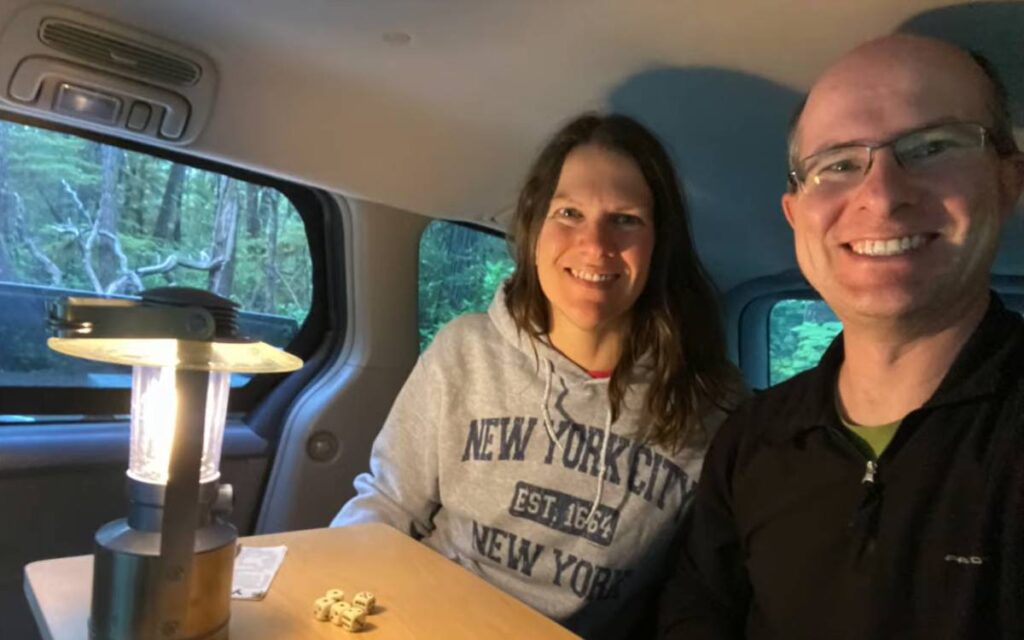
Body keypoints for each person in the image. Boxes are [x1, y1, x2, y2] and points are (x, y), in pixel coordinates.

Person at [658, 34, 1024, 640]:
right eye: (838, 164)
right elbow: (694, 613)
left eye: (932, 146)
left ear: (1008, 181)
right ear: (796, 216)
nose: (880, 195)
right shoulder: (751, 440)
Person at [332, 112, 742, 639]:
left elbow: (703, 585)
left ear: (660, 243)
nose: (595, 245)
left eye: (626, 219)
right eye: (569, 212)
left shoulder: (713, 403)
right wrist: (335, 595)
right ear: (534, 229)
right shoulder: (465, 350)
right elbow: (388, 504)